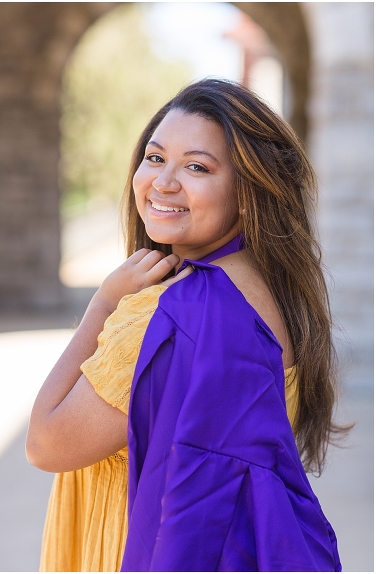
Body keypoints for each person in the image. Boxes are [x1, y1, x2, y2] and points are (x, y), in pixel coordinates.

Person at [26, 79, 346, 571]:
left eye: (197, 167)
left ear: (249, 190)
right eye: (155, 158)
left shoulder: (169, 316)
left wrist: (103, 303)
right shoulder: (276, 295)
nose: (163, 182)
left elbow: (45, 443)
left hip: (128, 548)